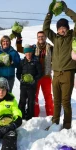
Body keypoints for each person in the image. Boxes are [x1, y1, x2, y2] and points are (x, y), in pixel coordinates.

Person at [43, 1, 76, 129]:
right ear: (57, 29)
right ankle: (54, 123)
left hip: (68, 73)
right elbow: (45, 29)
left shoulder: (72, 36)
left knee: (65, 102)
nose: (62, 29)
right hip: (55, 74)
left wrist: (66, 10)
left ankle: (67, 126)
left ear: (67, 28)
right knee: (56, 102)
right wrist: (50, 13)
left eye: (64, 27)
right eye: (60, 27)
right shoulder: (55, 38)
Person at [15, 30, 54, 117]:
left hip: (46, 75)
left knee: (48, 96)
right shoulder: (33, 47)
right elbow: (20, 49)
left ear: (45, 37)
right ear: (37, 38)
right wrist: (19, 38)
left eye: (42, 36)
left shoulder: (51, 48)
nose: (41, 38)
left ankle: (50, 115)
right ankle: (35, 115)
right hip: (35, 76)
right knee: (34, 96)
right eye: (39, 36)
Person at [16, 45, 42, 120]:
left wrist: (34, 80)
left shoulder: (36, 62)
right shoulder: (22, 62)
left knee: (31, 101)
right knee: (22, 101)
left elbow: (40, 73)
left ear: (32, 53)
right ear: (24, 53)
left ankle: (30, 116)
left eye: (30, 52)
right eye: (26, 52)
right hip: (23, 85)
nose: (28, 54)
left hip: (32, 85)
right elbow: (18, 73)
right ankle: (21, 115)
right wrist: (20, 79)